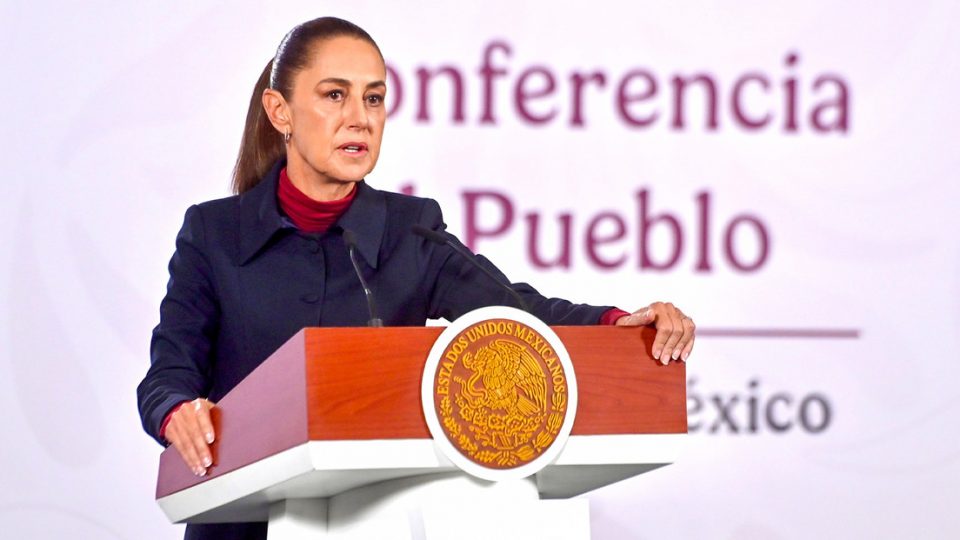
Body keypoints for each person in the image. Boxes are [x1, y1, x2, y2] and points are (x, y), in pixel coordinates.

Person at [136, 16, 695, 540]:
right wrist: (177, 412)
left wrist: (621, 323)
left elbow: (519, 315)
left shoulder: (411, 230)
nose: (360, 118)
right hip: (243, 524)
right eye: (334, 95)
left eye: (373, 98)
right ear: (280, 111)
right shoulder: (214, 233)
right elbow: (168, 374)